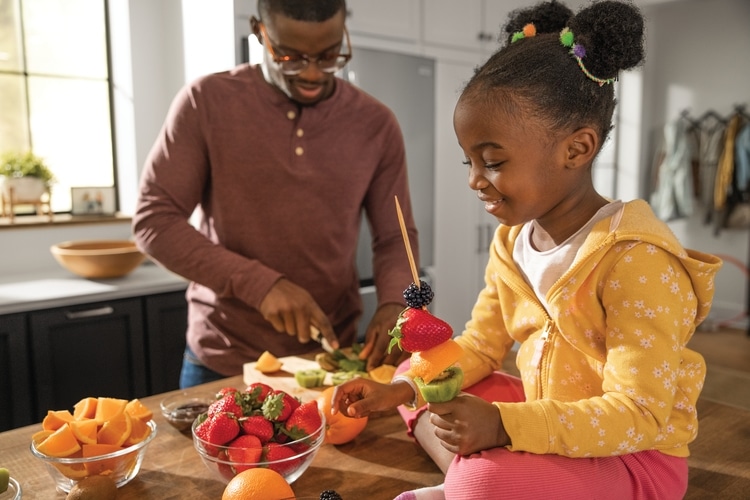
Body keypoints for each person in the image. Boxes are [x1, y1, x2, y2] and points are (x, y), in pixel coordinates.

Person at [331, 1, 723, 499]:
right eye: (469, 160)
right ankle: (479, 475)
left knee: (482, 478)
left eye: (492, 161)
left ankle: (473, 478)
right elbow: (480, 346)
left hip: (632, 459)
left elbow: (640, 414)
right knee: (419, 372)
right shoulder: (512, 243)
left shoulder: (637, 261)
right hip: (552, 418)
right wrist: (402, 392)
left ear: (576, 149)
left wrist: (500, 426)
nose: (475, 180)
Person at [132, 0, 417, 388]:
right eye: (290, 56)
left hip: (330, 357)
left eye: (330, 54)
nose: (313, 73)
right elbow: (154, 222)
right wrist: (261, 284)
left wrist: (395, 303)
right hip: (223, 358)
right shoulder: (205, 101)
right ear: (258, 31)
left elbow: (394, 236)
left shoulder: (376, 123)